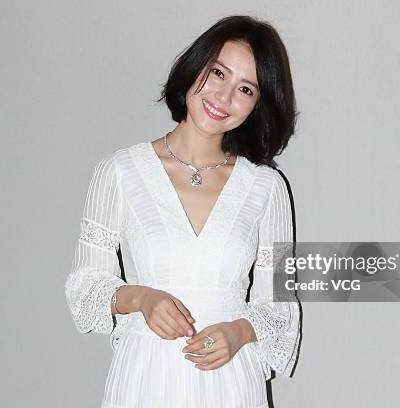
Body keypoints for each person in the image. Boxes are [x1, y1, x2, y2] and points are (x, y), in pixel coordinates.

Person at [65, 15, 301, 408]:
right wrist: (141, 298)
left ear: (258, 104)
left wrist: (239, 331)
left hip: (229, 381)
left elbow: (278, 310)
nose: (223, 97)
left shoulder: (266, 188)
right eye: (217, 73)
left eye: (245, 88)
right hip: (145, 378)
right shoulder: (119, 172)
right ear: (195, 67)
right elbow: (84, 289)